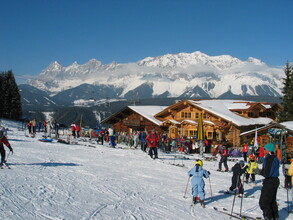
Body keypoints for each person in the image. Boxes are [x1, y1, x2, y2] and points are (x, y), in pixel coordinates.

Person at [259, 143, 280, 220]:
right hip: (274, 180)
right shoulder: (273, 157)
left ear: (268, 150)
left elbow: (267, 173)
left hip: (270, 181)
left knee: (264, 202)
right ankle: (275, 216)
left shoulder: (269, 158)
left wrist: (259, 172)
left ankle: (269, 217)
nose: (263, 150)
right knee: (271, 200)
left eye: (264, 149)